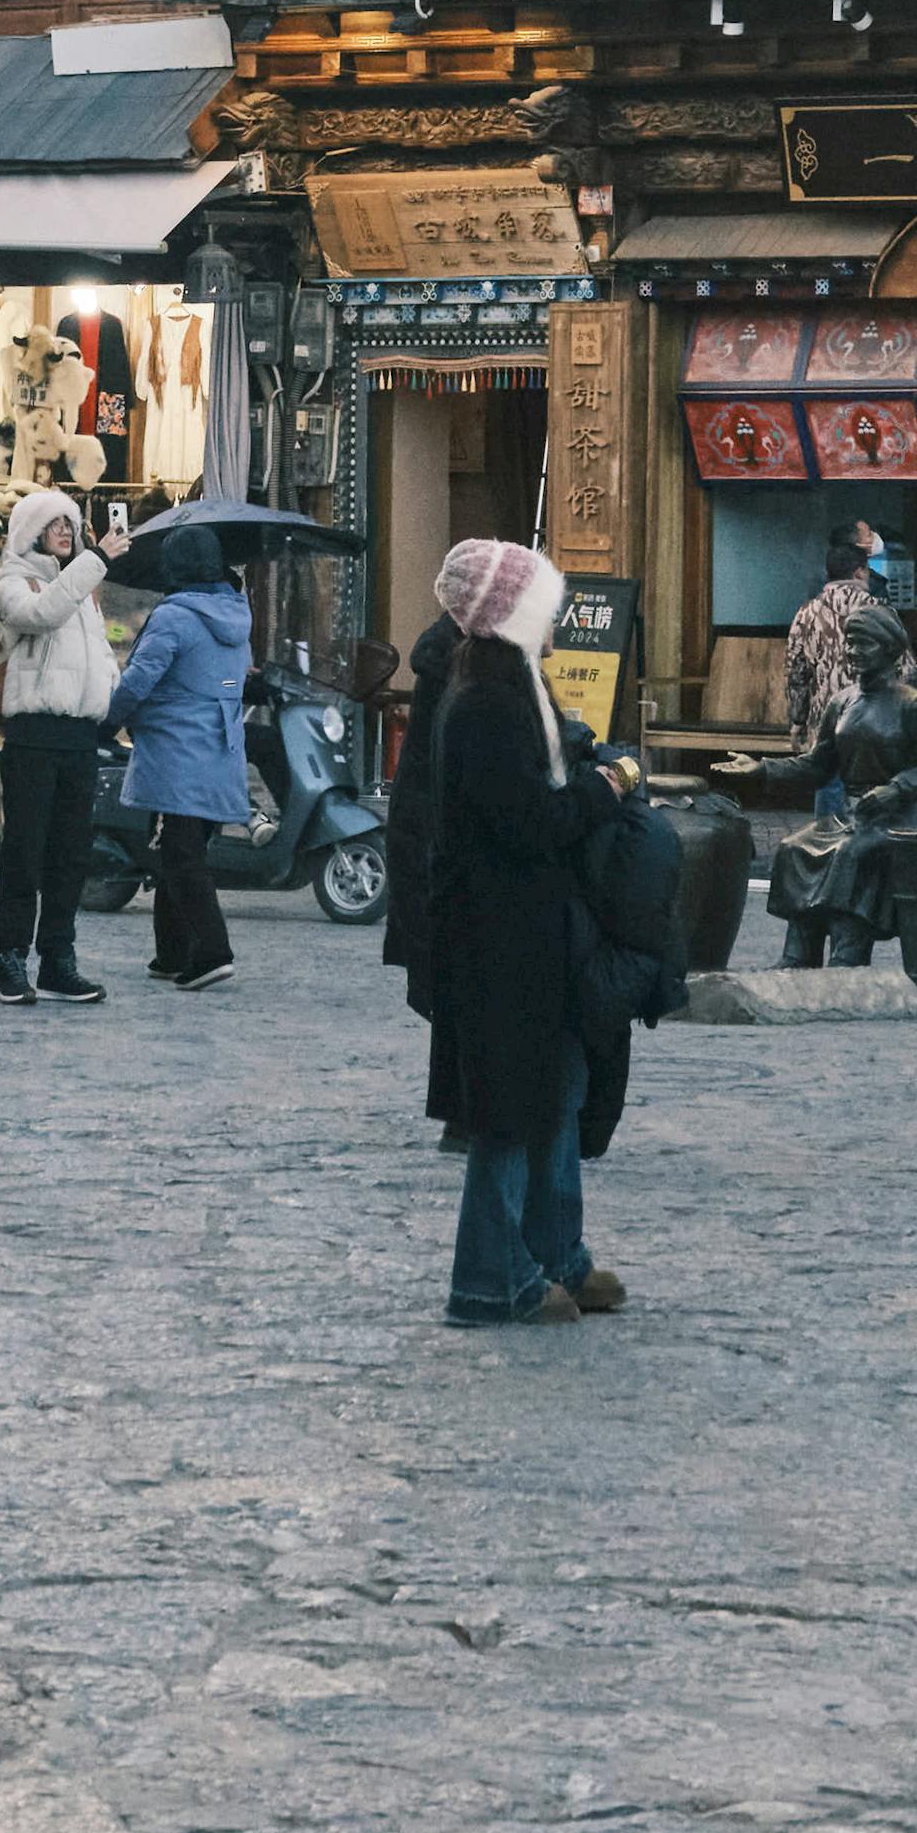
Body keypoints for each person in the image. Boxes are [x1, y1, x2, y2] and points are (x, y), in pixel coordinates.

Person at [395, 537, 617, 1324]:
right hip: (497, 935)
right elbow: (532, 820)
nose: (556, 622)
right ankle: (489, 1281)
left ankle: (557, 1253)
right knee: (508, 1109)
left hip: (526, 929)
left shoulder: (514, 684)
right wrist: (608, 791)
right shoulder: (485, 701)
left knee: (551, 1093)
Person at [0, 487, 123, 1005]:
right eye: (54, 525)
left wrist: (108, 690)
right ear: (31, 531)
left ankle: (58, 959)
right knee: (25, 850)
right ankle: (10, 957)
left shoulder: (80, 586)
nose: (65, 533)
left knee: (69, 854)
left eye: (70, 524)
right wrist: (97, 559)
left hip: (79, 737)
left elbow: (99, 647)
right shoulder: (14, 583)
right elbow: (40, 614)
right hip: (33, 735)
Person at [109, 517, 261, 988]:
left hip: (176, 746)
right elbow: (231, 678)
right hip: (220, 744)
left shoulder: (175, 615)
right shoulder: (236, 613)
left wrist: (108, 720)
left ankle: (212, 952)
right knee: (180, 845)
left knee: (180, 852)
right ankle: (171, 952)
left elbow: (139, 678)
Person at [778, 521, 917, 775]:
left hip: (825, 723)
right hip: (876, 723)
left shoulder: (807, 613)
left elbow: (796, 673)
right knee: (872, 796)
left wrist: (797, 720)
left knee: (828, 794)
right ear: (860, 573)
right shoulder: (881, 610)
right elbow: (906, 670)